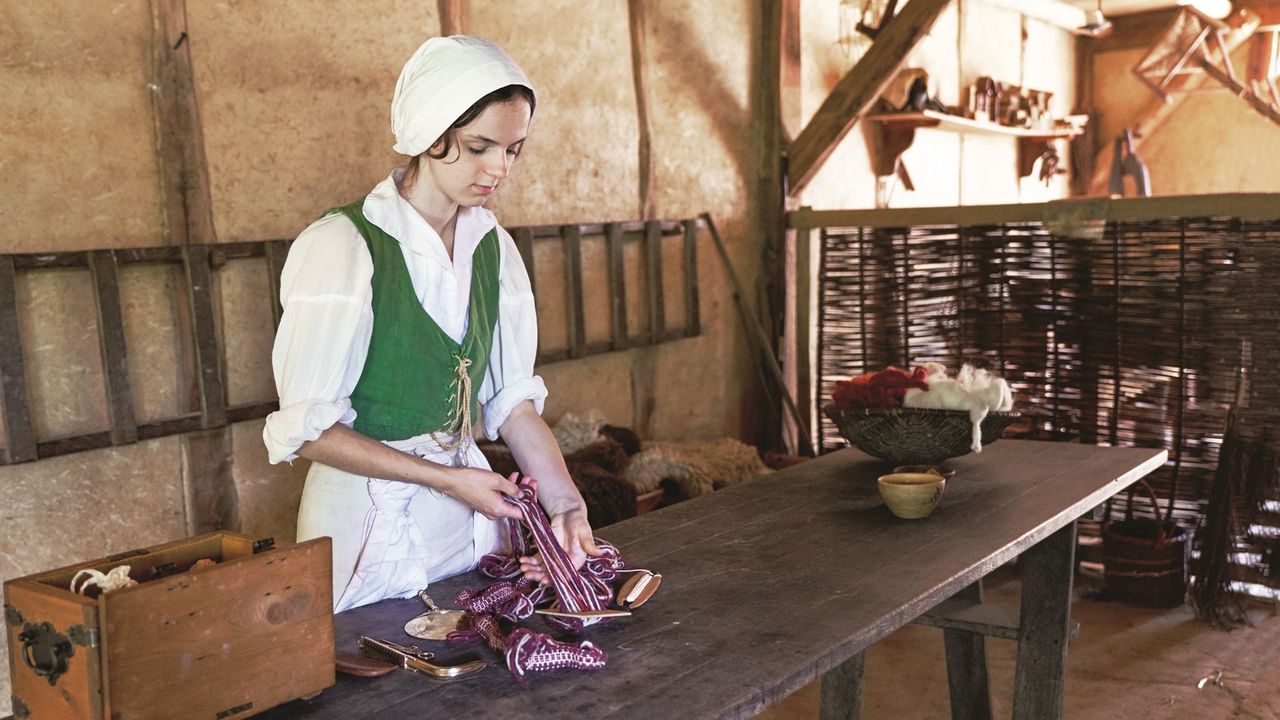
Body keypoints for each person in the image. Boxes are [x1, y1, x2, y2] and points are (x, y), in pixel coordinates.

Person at [263, 36, 599, 612]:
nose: (499, 169)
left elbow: (512, 404)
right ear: (429, 135)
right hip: (369, 520)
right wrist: (445, 478)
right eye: (478, 147)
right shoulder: (345, 247)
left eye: (513, 149)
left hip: (468, 514)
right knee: (373, 681)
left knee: (474, 669)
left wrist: (568, 503)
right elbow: (312, 432)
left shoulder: (493, 247)